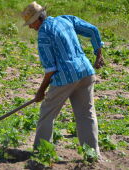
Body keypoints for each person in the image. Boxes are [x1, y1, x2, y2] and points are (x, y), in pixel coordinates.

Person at [21, 1, 105, 156]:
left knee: (47, 112)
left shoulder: (44, 34)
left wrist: (40, 91)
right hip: (86, 71)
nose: (31, 27)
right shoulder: (65, 19)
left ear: (38, 19)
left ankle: (41, 153)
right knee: (86, 114)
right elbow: (92, 30)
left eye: (31, 23)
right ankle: (93, 154)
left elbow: (50, 70)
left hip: (66, 77)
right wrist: (98, 53)